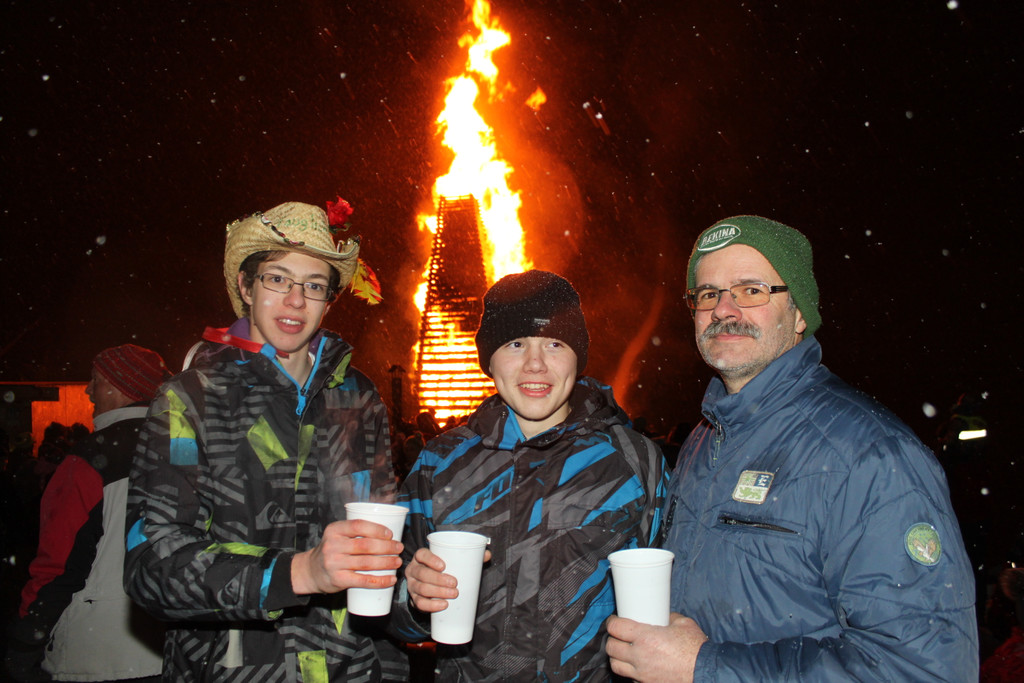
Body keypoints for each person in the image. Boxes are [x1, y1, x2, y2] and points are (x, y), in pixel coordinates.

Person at [606, 216, 978, 681]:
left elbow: (924, 670)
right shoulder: (705, 440)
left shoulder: (870, 456)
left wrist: (704, 667)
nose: (724, 308)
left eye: (751, 290)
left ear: (799, 313)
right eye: (708, 294)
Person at [123, 199, 406, 681]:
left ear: (328, 300)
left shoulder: (357, 396)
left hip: (352, 668)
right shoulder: (189, 401)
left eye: (314, 286)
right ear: (245, 286)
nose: (296, 300)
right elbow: (152, 565)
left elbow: (381, 535)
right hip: (231, 670)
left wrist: (416, 591)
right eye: (277, 278)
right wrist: (298, 574)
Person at [395, 270, 668, 680]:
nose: (535, 364)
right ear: (489, 359)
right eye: (516, 343)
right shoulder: (440, 461)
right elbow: (384, 602)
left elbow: (674, 600)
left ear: (578, 356)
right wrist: (413, 600)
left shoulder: (632, 460)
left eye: (555, 344)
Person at [6, 344, 170, 682]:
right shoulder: (183, 447)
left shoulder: (88, 459)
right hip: (169, 647)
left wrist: (26, 639)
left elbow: (57, 564)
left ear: (117, 385)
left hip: (96, 653)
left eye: (95, 380)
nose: (87, 390)